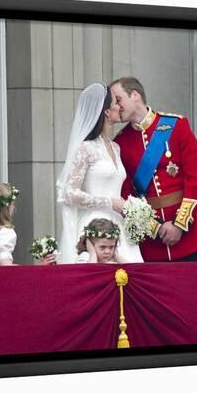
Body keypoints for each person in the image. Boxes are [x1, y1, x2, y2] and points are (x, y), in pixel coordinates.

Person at [111, 76, 197, 262]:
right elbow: (126, 193)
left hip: (186, 232)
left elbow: (194, 178)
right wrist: (156, 228)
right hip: (152, 241)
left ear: (135, 95)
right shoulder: (121, 142)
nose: (115, 106)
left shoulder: (176, 125)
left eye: (118, 99)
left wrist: (179, 224)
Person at [56, 83, 144, 264]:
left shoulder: (116, 147)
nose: (120, 106)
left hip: (119, 225)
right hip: (94, 224)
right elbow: (69, 192)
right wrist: (110, 202)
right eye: (116, 102)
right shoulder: (85, 148)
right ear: (106, 111)